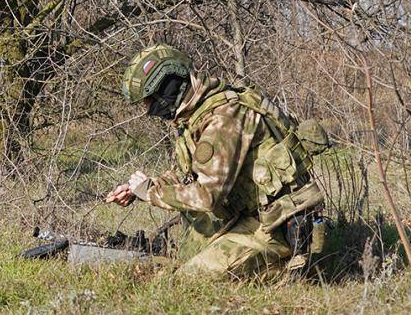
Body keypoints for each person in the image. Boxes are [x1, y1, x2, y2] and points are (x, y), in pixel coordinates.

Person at [106, 44, 327, 278]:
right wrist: (139, 189)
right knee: (179, 256)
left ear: (166, 88)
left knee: (188, 281)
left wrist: (151, 192)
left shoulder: (224, 117)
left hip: (276, 228)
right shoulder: (198, 116)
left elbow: (206, 196)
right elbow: (187, 175)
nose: (148, 109)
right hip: (251, 218)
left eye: (149, 100)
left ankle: (284, 269)